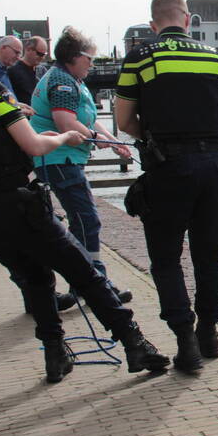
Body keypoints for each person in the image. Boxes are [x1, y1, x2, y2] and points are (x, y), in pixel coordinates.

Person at [0, 37, 168, 382]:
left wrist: (17, 115)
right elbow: (34, 144)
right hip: (20, 205)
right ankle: (134, 342)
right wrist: (62, 138)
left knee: (36, 279)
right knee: (84, 272)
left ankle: (55, 355)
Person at [114, 0, 218, 373]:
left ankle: (186, 343)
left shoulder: (140, 57)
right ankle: (209, 333)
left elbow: (123, 119)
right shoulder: (215, 58)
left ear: (153, 24)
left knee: (166, 258)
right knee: (208, 255)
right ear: (187, 19)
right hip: (217, 165)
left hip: (171, 166)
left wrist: (149, 139)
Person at [29, 26, 133, 307]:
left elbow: (87, 119)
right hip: (59, 158)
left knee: (82, 221)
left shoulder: (71, 78)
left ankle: (89, 282)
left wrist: (113, 141)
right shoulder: (62, 82)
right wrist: (98, 139)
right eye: (90, 57)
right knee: (87, 220)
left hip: (64, 158)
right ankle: (94, 284)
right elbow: (65, 122)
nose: (93, 63)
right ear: (74, 56)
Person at [7, 36, 48, 106]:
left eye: (44, 55)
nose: (42, 58)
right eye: (39, 54)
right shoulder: (13, 71)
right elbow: (8, 97)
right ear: (28, 49)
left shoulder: (42, 71)